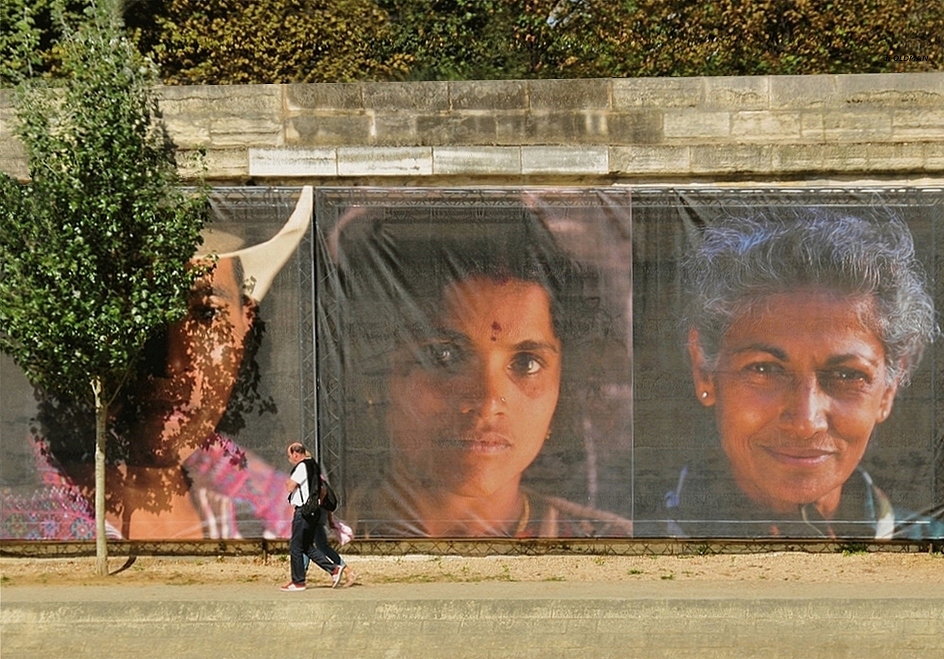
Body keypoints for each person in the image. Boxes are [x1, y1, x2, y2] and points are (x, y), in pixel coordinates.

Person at [0, 187, 313, 541]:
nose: (171, 363)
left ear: (246, 322)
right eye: (136, 317)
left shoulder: (273, 506)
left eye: (206, 313)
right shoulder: (20, 509)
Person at [342, 213, 634, 538]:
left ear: (561, 388)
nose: (488, 401)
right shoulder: (306, 534)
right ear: (377, 379)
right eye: (444, 356)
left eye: (526, 363)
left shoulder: (608, 552)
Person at [663, 209, 943, 539]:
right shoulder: (630, 535)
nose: (806, 422)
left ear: (889, 387)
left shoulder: (929, 550)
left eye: (847, 376)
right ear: (704, 370)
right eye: (764, 369)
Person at [282, 442, 347, 591]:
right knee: (306, 547)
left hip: (303, 511)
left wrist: (289, 482)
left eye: (289, 456)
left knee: (296, 547)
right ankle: (334, 570)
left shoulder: (302, 466)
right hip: (313, 511)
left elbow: (289, 487)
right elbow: (322, 490)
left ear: (296, 454)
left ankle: (298, 582)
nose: (289, 459)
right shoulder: (314, 466)